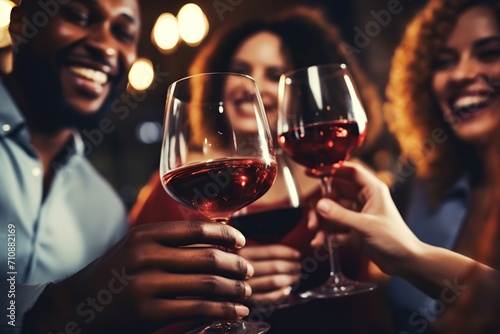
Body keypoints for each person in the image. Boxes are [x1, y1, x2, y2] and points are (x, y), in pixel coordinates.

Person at [0, 1, 255, 333]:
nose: (105, 46)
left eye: (123, 32)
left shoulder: (107, 212)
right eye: (78, 16)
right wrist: (59, 306)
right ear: (20, 25)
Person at [130, 5, 388, 333]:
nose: (252, 85)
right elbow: (137, 302)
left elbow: (378, 284)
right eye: (240, 70)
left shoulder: (347, 181)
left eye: (274, 74)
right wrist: (222, 289)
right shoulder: (178, 186)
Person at [310, 0, 500, 332]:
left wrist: (409, 255)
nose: (460, 73)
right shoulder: (426, 183)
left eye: (489, 52)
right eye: (443, 62)